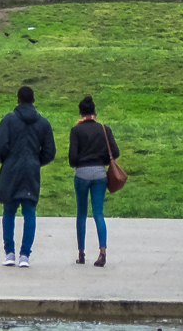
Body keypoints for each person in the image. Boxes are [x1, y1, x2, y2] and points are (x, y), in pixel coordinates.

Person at [0, 84, 55, 266]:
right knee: (29, 212)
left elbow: (0, 145)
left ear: (18, 99)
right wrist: (36, 161)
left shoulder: (8, 120)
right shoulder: (43, 123)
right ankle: (25, 255)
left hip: (11, 170)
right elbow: (50, 151)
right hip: (31, 171)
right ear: (33, 101)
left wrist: (7, 160)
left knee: (9, 211)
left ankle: (9, 253)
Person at [68, 95, 119, 267]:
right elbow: (115, 152)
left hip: (82, 173)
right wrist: (102, 159)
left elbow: (72, 159)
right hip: (99, 174)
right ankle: (102, 251)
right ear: (94, 113)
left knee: (81, 213)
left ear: (81, 113)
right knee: (98, 213)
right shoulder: (104, 129)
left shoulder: (76, 131)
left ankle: (81, 253)